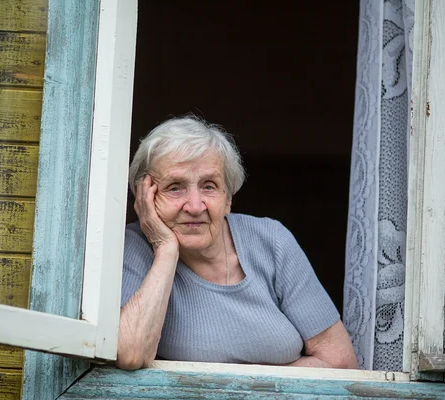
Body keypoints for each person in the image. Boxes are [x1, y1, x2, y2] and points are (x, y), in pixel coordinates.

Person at [116, 116, 357, 370]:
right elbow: (130, 353)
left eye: (209, 186)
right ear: (145, 198)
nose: (195, 206)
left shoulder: (271, 241)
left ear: (228, 199)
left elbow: (340, 362)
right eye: (175, 187)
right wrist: (165, 249)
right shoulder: (135, 247)